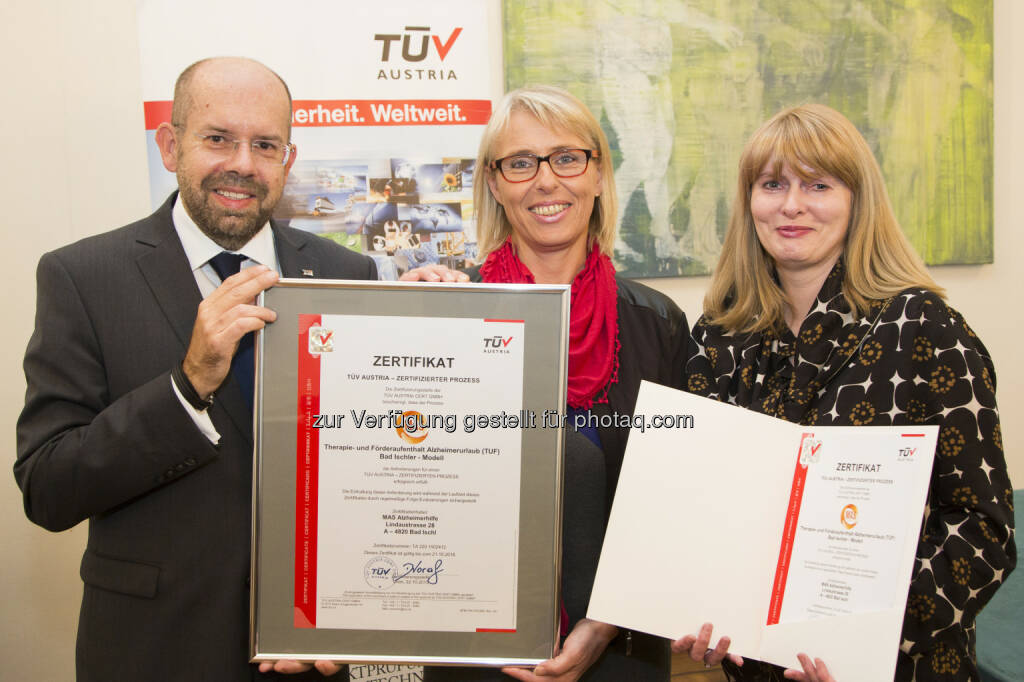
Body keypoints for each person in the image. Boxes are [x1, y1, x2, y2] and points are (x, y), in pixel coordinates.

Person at [14, 57, 376, 681]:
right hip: (153, 650)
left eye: (265, 145)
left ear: (287, 160)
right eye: (217, 139)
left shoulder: (350, 276)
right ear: (170, 145)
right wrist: (188, 387)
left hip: (313, 654)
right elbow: (48, 488)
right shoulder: (82, 276)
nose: (242, 163)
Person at [684, 103, 1016, 681]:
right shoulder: (720, 335)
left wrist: (865, 643)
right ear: (750, 203)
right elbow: (697, 505)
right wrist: (695, 610)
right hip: (755, 666)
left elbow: (983, 530)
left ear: (857, 200)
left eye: (818, 184)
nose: (792, 205)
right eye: (772, 184)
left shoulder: (927, 330)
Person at [413, 85, 693, 681]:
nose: (546, 181)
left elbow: (673, 503)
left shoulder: (659, 324)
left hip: (621, 652)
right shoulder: (446, 310)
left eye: (567, 158)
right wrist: (398, 329)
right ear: (494, 183)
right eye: (520, 163)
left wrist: (607, 622)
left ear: (597, 174)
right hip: (474, 652)